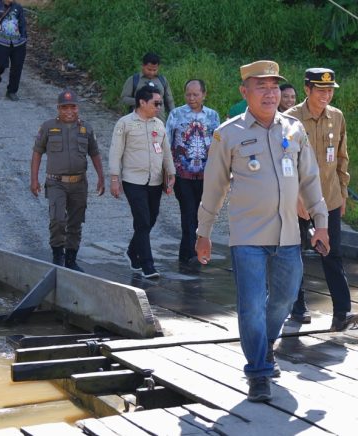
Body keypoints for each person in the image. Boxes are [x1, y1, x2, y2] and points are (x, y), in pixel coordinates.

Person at [194, 60, 330, 402]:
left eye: (274, 87)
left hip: (287, 236)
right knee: (251, 305)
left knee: (285, 297)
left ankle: (267, 342)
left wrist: (321, 223)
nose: (270, 94)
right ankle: (257, 371)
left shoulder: (293, 130)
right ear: (245, 92)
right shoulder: (229, 133)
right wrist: (203, 231)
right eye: (261, 87)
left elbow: (310, 178)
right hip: (248, 237)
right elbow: (214, 186)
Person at [284, 68, 358, 331]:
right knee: (294, 254)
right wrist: (294, 198)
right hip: (297, 201)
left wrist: (343, 192)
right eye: (321, 90)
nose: (326, 95)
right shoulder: (289, 119)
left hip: (329, 198)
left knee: (333, 254)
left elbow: (341, 157)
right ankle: (297, 308)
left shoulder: (336, 117)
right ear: (307, 90)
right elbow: (285, 162)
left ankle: (342, 312)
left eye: (330, 90)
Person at [30, 90, 105, 271]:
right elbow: (37, 153)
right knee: (57, 220)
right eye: (64, 107)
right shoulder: (48, 127)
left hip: (79, 183)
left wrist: (102, 177)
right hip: (56, 182)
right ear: (58, 108)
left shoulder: (86, 129)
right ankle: (57, 256)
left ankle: (71, 260)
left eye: (72, 107)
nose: (69, 111)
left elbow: (94, 154)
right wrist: (34, 179)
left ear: (78, 108)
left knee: (75, 222)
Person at [109, 85, 175, 279]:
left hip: (154, 181)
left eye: (161, 103)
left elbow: (166, 151)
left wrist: (171, 174)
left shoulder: (158, 124)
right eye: (156, 103)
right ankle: (148, 264)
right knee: (143, 220)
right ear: (142, 102)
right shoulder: (125, 123)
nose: (159, 107)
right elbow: (115, 152)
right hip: (133, 180)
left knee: (150, 219)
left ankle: (131, 251)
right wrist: (114, 178)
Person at [166, 79, 220, 266]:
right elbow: (167, 142)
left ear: (204, 94)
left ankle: (195, 251)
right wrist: (168, 171)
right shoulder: (176, 114)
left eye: (196, 94)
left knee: (202, 214)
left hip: (206, 175)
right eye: (188, 94)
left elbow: (218, 145)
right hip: (183, 175)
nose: (192, 98)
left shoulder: (213, 116)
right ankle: (188, 254)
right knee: (187, 213)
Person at [120, 52, 175, 120]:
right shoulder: (133, 80)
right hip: (138, 121)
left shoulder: (162, 80)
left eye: (155, 70)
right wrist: (141, 101)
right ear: (143, 65)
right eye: (149, 69)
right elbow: (124, 99)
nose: (152, 72)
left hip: (159, 121)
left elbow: (169, 100)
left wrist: (174, 114)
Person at [0, 0, 27, 101]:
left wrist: (24, 38)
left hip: (18, 43)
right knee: (0, 64)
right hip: (0, 41)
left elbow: (22, 23)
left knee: (17, 67)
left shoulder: (18, 7)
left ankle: (11, 91)